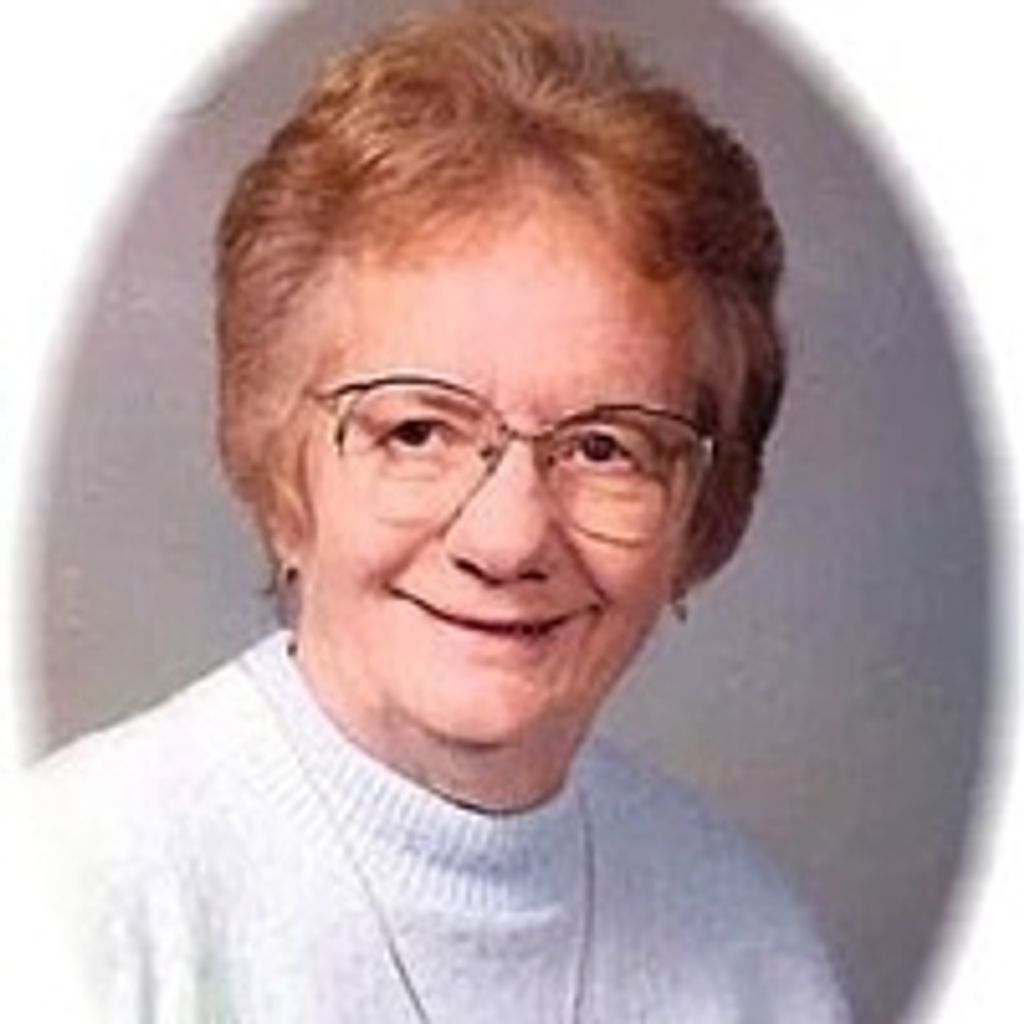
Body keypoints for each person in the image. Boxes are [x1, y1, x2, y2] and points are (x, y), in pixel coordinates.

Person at [30, 4, 851, 1021]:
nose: (507, 539)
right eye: (417, 431)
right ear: (283, 471)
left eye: (604, 447)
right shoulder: (78, 896)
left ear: (700, 511)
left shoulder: (752, 951)